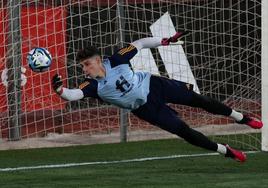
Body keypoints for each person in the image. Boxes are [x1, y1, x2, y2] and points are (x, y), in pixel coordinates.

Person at [52, 31, 263, 162]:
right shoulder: (91, 86)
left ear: (98, 60)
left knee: (201, 101)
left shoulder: (117, 59)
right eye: (82, 66)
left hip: (155, 86)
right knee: (185, 131)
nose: (84, 69)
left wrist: (165, 40)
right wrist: (60, 90)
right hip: (145, 108)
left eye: (86, 64)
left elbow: (141, 43)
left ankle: (242, 118)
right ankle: (224, 150)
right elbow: (72, 95)